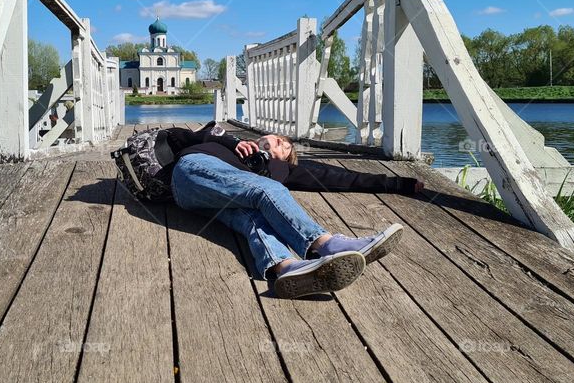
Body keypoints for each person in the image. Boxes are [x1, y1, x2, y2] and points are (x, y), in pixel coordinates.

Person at [161, 121, 424, 299]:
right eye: (278, 139)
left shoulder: (280, 170)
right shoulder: (225, 138)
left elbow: (334, 176)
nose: (280, 142)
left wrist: (396, 183)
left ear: (283, 160)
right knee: (267, 191)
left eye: (285, 148)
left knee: (255, 219)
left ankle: (287, 269)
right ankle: (327, 244)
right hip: (193, 172)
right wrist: (231, 143)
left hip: (208, 202)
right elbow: (176, 134)